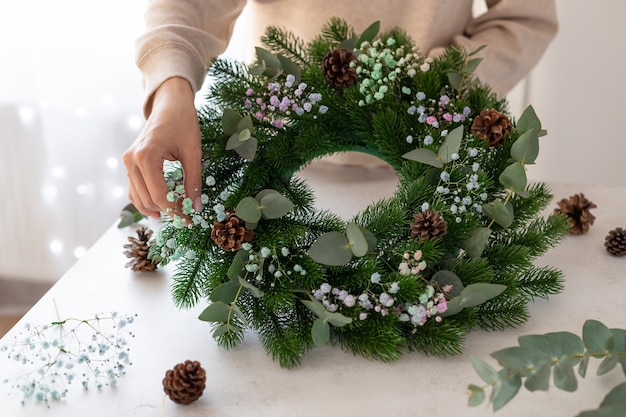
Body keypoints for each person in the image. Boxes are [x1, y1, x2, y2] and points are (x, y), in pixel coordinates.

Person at [123, 0, 558, 218]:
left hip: (435, 167)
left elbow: (524, 17)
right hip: (274, 168)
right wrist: (170, 92)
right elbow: (189, 8)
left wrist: (425, 96)